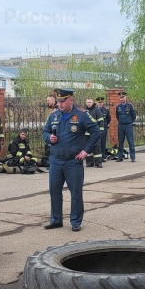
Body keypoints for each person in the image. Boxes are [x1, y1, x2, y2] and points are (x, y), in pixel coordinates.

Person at [42, 88, 100, 232]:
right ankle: (56, 220)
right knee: (54, 191)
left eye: (63, 101)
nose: (60, 104)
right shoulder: (54, 116)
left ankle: (75, 221)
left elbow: (96, 132)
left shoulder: (81, 115)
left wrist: (86, 150)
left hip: (73, 162)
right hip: (56, 160)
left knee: (75, 193)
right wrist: (49, 138)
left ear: (71, 100)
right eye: (59, 101)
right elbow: (45, 131)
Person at [114, 91, 136, 162]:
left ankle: (132, 157)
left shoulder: (130, 106)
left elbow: (133, 116)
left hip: (128, 125)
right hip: (121, 126)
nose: (122, 99)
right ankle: (120, 157)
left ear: (125, 98)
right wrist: (121, 121)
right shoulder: (118, 107)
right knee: (120, 141)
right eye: (120, 98)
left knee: (130, 141)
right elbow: (117, 116)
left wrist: (129, 121)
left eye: (123, 97)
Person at [84, 98, 104, 168]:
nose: (89, 103)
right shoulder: (84, 111)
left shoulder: (97, 111)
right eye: (87, 102)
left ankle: (98, 162)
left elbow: (101, 121)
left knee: (97, 148)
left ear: (93, 103)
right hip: (86, 134)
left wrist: (100, 132)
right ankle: (89, 162)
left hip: (95, 133)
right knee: (88, 148)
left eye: (90, 102)